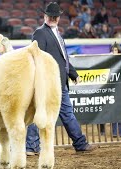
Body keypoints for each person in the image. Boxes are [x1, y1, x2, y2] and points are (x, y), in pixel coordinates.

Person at [25, 2, 97, 156]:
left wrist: (73, 73)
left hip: (59, 83)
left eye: (55, 16)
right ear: (45, 16)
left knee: (66, 113)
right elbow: (37, 57)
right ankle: (31, 146)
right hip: (46, 82)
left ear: (58, 18)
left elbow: (63, 59)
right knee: (38, 111)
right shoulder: (40, 33)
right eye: (50, 16)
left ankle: (80, 144)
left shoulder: (58, 34)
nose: (53, 18)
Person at [100, 42, 121, 137]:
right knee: (113, 109)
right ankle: (115, 132)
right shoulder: (109, 60)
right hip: (112, 88)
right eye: (112, 50)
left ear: (119, 51)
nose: (114, 52)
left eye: (116, 50)